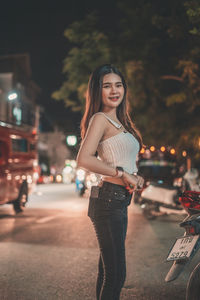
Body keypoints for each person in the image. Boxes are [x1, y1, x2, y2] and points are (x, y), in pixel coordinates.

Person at [76, 64, 144, 300]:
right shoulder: (100, 119)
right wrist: (122, 173)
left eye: (118, 84)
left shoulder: (121, 123)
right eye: (107, 86)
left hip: (118, 201)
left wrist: (135, 175)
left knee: (107, 272)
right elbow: (84, 159)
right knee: (116, 276)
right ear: (98, 91)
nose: (114, 90)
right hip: (108, 201)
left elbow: (123, 159)